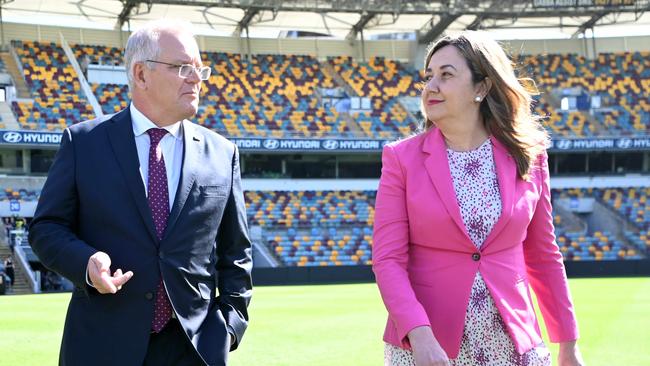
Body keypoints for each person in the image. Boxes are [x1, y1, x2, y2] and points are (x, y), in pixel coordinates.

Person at [29, 20, 252, 366]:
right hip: (102, 346)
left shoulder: (223, 154)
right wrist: (86, 264)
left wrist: (230, 326)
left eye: (199, 68)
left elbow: (236, 253)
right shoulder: (84, 143)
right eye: (182, 67)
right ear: (141, 74)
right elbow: (46, 229)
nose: (196, 78)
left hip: (195, 350)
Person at [372, 31, 584, 366]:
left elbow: (543, 255)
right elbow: (388, 261)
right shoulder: (400, 158)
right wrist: (420, 335)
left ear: (482, 88)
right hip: (428, 349)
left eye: (446, 75)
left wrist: (568, 344)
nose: (431, 86)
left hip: (513, 343)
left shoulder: (529, 156)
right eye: (429, 77)